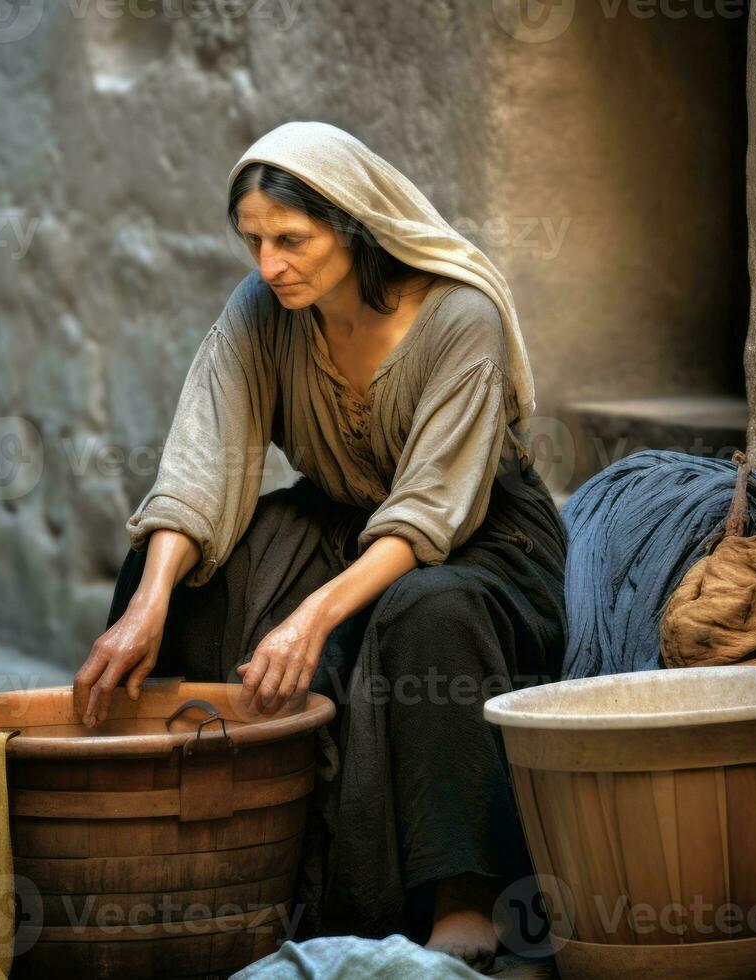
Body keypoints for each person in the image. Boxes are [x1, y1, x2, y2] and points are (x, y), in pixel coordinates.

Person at [73, 120, 567, 971]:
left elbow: (428, 511)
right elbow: (201, 461)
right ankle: (178, 838)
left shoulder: (459, 318)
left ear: (354, 224)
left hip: (479, 538)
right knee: (179, 571)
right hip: (340, 519)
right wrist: (147, 608)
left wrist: (309, 619)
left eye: (290, 239)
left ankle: (462, 896)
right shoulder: (263, 311)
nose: (268, 265)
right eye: (253, 241)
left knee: (427, 608)